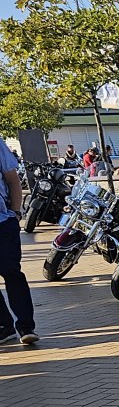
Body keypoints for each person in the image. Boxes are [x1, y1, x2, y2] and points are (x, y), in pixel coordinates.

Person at [0, 139, 37, 345]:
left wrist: (15, 213)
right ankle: (5, 327)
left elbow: (12, 179)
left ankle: (25, 326)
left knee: (11, 272)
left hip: (3, 223)